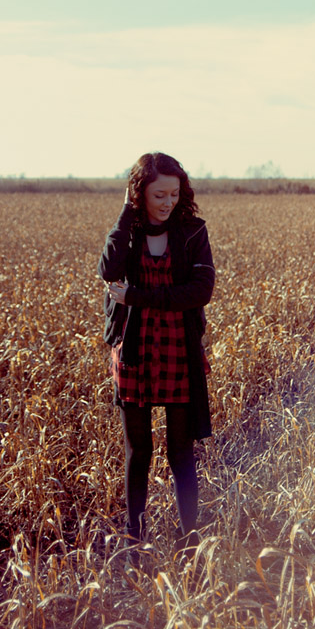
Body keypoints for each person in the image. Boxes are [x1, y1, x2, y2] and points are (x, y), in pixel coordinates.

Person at [99, 152, 215, 558]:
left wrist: (139, 296)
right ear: (140, 194)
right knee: (139, 450)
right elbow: (109, 271)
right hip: (133, 348)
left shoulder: (192, 232)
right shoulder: (128, 233)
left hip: (178, 347)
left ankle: (190, 540)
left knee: (181, 450)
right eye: (158, 194)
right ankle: (134, 538)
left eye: (174, 194)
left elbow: (200, 291)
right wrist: (124, 218)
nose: (167, 202)